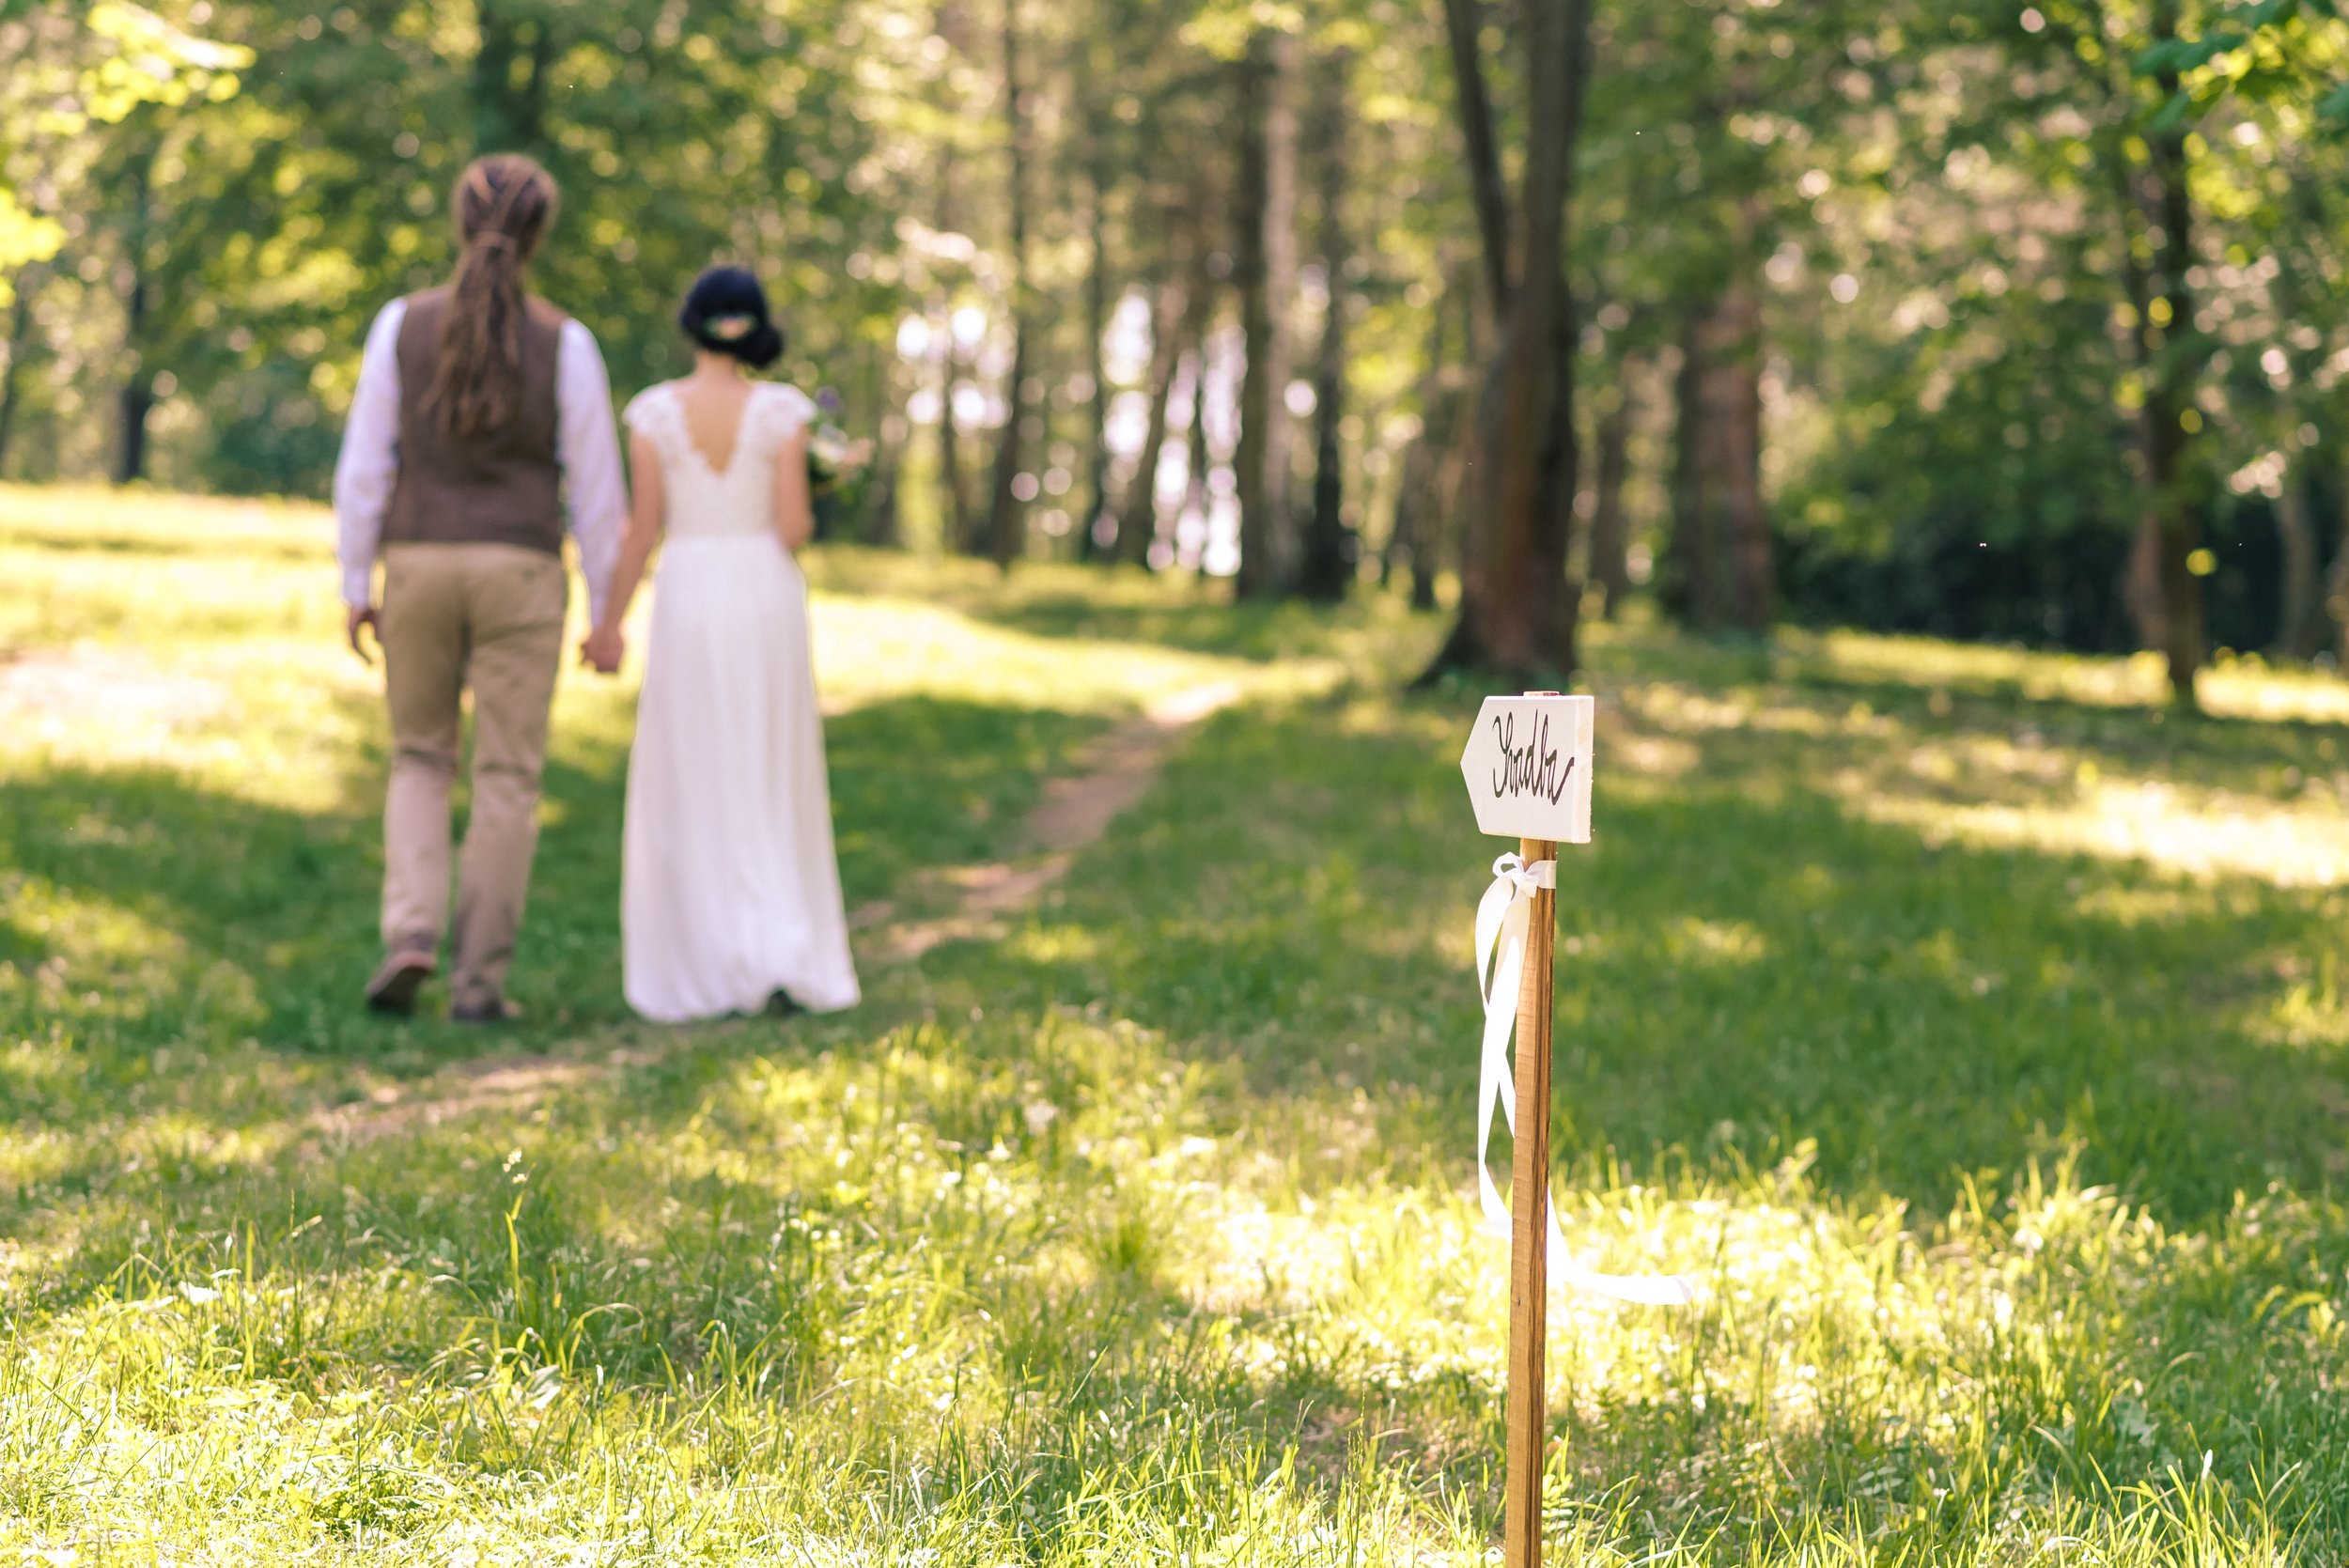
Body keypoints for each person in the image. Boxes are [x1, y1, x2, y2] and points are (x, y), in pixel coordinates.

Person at [333, 153, 627, 1022]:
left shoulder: (401, 324)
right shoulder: (565, 342)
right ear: (541, 236)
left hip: (419, 564)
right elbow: (597, 489)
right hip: (523, 572)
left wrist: (357, 580)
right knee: (507, 777)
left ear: (459, 223)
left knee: (421, 756)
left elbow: (364, 467)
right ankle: (480, 986)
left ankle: (412, 930)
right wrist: (607, 610)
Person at [582, 265, 860, 1021]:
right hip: (764, 590)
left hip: (690, 591)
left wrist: (609, 623)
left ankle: (708, 954)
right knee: (766, 764)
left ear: (691, 322)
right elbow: (794, 528)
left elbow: (641, 531)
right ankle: (778, 945)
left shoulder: (652, 414)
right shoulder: (783, 411)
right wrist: (819, 478)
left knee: (696, 765)